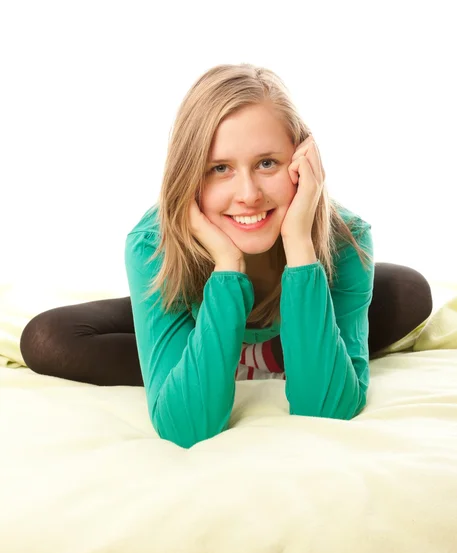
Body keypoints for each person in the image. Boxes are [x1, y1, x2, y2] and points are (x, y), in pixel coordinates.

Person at [20, 63, 433, 449]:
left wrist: (300, 245)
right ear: (189, 174)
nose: (248, 194)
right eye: (220, 168)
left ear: (302, 164)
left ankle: (249, 354)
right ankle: (221, 352)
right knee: (47, 338)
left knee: (407, 290)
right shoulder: (151, 243)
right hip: (195, 307)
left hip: (296, 309)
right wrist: (227, 264)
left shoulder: (346, 238)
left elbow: (325, 411)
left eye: (267, 163)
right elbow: (187, 427)